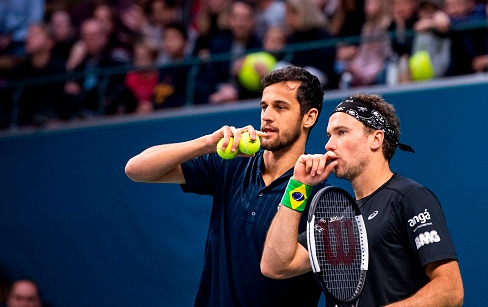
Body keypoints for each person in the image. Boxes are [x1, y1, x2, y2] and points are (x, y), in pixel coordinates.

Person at [124, 65, 325, 307]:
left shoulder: (318, 195)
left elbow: (279, 267)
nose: (266, 116)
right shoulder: (230, 166)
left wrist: (300, 186)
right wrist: (207, 143)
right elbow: (135, 169)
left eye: (280, 107)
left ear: (309, 117)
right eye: (264, 106)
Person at [261, 93, 464, 307]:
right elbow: (275, 265)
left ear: (376, 139)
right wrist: (298, 185)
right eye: (329, 135)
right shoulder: (335, 218)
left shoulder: (410, 197)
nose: (329, 145)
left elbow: (451, 289)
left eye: (342, 132)